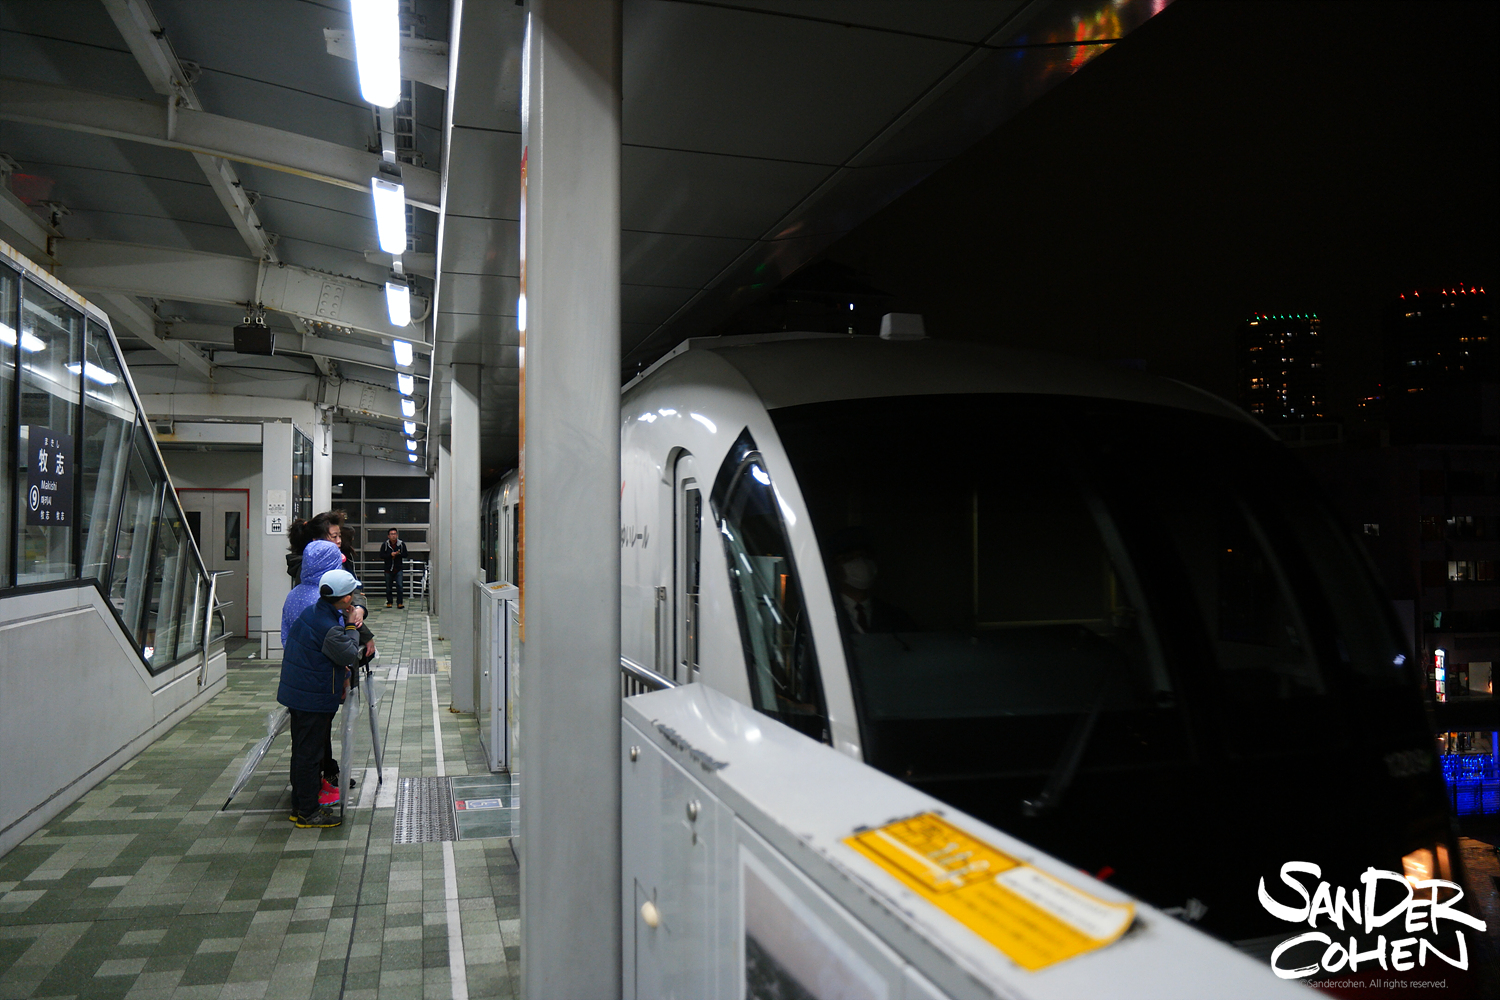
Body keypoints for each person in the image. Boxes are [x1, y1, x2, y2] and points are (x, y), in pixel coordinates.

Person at [277, 567, 364, 828]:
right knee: (309, 755)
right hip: (312, 697)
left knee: (302, 751)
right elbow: (349, 654)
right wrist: (351, 624)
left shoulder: (312, 612)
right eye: (352, 593)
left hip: (300, 692)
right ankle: (308, 812)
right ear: (345, 598)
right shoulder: (328, 627)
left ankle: (300, 806)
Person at [380, 527, 408, 608]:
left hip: (398, 569)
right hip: (388, 569)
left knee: (399, 586)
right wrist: (390, 555)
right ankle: (389, 602)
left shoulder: (401, 544)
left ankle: (400, 602)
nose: (393, 536)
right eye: (391, 534)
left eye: (395, 534)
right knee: (388, 587)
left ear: (397, 535)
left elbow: (405, 554)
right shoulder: (385, 545)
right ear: (388, 536)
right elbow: (381, 555)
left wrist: (398, 554)